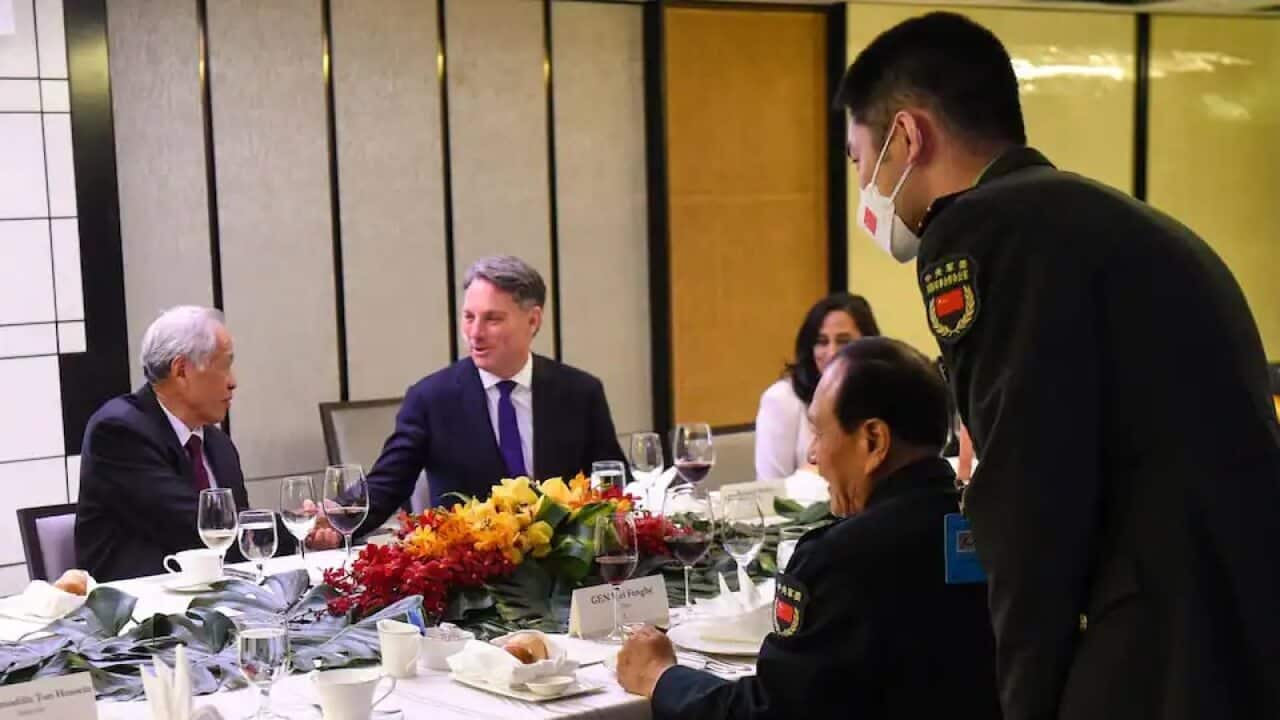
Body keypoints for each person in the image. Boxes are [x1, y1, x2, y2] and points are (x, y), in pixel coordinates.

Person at [838, 12, 1280, 719]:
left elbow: (1028, 498)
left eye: (861, 159)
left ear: (908, 137)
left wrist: (1025, 700)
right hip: (1229, 612)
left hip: (1153, 638)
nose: (864, 188)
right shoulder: (1101, 217)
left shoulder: (982, 232)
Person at [617, 338, 1000, 719]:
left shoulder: (845, 560)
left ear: (874, 441)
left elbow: (770, 712)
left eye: (819, 432)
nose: (813, 454)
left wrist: (660, 677)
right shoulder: (993, 528)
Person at [356, 256, 627, 530]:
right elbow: (386, 485)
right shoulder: (430, 399)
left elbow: (614, 484)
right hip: (471, 562)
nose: (475, 333)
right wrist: (333, 520)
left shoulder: (580, 393)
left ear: (533, 320)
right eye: (469, 317)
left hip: (567, 564)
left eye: (492, 319)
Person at [75, 306, 294, 581]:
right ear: (181, 371)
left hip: (221, 600)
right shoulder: (119, 433)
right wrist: (299, 529)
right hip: (141, 610)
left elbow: (240, 538)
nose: (233, 382)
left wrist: (308, 528)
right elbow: (199, 529)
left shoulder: (217, 444)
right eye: (224, 366)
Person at [754, 292, 879, 480]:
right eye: (821, 342)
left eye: (844, 341)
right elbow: (771, 491)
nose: (832, 352)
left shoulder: (882, 393)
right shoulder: (782, 399)